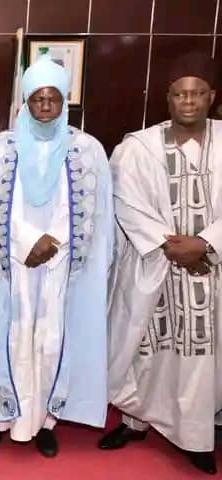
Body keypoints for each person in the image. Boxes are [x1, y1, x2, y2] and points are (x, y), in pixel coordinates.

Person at [0, 55, 113, 458]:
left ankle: (44, 421)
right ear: (25, 101)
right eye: (37, 98)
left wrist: (51, 242)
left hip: (60, 267)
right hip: (11, 266)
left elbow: (96, 212)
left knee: (50, 339)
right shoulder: (0, 148)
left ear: (65, 101)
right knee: (6, 336)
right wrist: (27, 241)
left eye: (53, 98)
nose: (45, 105)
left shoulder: (87, 150)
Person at [101, 52, 221, 475]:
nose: (188, 101)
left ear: (211, 97)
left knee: (200, 358)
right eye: (179, 94)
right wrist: (171, 248)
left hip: (212, 271)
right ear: (167, 99)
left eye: (197, 93)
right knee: (147, 349)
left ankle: (196, 436)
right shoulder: (138, 147)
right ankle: (135, 422)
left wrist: (206, 244)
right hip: (156, 267)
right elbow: (125, 202)